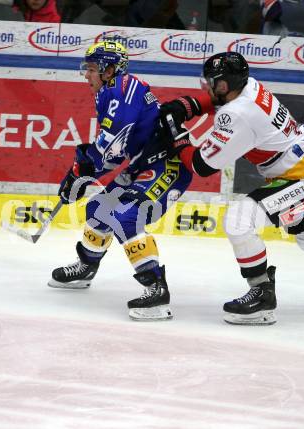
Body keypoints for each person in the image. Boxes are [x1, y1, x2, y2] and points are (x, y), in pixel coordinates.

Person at [160, 51, 304, 325]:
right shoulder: (249, 85)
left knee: (239, 220)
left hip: (301, 180)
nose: (206, 86)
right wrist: (192, 105)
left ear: (225, 85)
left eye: (211, 81)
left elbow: (201, 166)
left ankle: (261, 293)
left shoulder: (236, 115)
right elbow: (221, 100)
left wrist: (177, 136)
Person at [48, 40, 205, 321]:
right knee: (98, 210)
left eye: (92, 68)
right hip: (142, 163)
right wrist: (82, 174)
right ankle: (87, 266)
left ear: (109, 69)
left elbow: (110, 146)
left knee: (127, 215)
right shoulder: (107, 92)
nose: (86, 74)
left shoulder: (123, 90)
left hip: (167, 164)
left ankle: (156, 287)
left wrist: (80, 172)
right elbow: (114, 154)